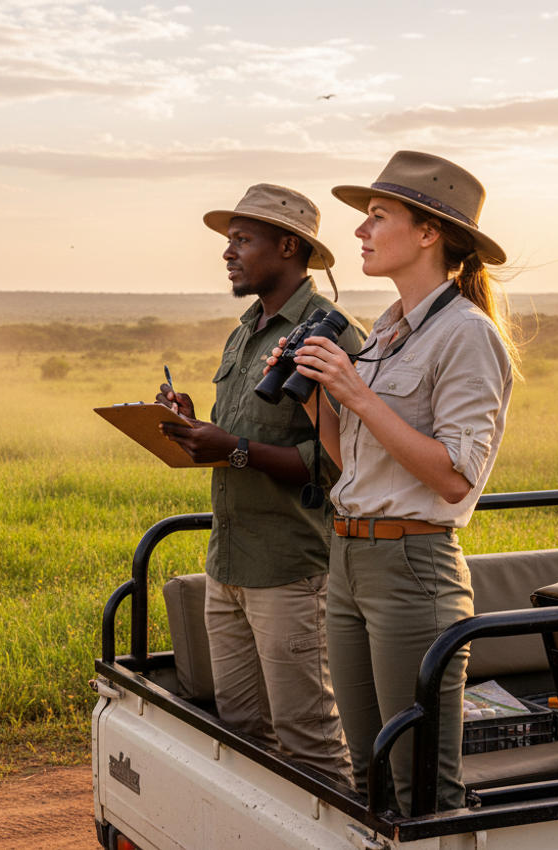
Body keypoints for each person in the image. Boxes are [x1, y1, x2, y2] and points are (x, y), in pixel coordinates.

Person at [280, 151, 518, 813]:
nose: (359, 231)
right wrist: (316, 398)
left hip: (413, 567)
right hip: (349, 554)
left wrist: (356, 393)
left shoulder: (468, 336)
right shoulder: (385, 330)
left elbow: (451, 476)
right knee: (370, 774)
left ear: (427, 233)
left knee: (415, 784)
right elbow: (353, 462)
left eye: (376, 217)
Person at [156, 184, 364, 785]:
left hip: (292, 571)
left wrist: (236, 450)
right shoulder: (249, 329)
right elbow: (244, 432)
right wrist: (201, 428)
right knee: (243, 732)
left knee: (309, 742)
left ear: (290, 246)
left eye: (242, 240)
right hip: (229, 562)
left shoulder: (332, 335)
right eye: (229, 242)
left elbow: (343, 461)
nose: (228, 253)